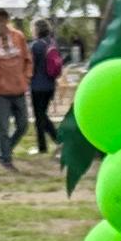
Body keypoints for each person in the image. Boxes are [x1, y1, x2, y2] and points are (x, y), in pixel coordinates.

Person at [0, 9, 34, 169]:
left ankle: (5, 150)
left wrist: (26, 78)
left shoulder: (18, 36)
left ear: (5, 21)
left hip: (18, 90)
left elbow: (28, 59)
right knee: (3, 128)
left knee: (23, 125)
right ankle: (6, 158)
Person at [29, 27, 69, 155]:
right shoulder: (52, 44)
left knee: (39, 116)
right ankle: (57, 140)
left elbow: (31, 66)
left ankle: (46, 145)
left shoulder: (35, 46)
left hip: (37, 85)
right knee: (43, 115)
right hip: (50, 85)